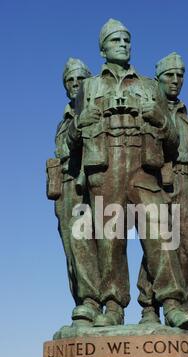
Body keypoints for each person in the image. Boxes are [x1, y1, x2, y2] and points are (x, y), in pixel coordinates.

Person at [68, 19, 188, 328]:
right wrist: (78, 123)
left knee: (161, 233)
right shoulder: (90, 86)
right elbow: (72, 140)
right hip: (105, 170)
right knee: (111, 242)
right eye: (115, 41)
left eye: (126, 40)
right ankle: (112, 306)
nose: (123, 44)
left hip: (143, 168)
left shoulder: (150, 86)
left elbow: (173, 140)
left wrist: (160, 121)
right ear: (102, 49)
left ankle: (172, 303)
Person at [138, 52, 188, 329]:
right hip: (158, 182)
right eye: (170, 74)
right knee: (158, 246)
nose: (176, 80)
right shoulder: (151, 111)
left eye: (180, 75)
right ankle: (150, 307)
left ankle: (184, 309)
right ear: (158, 78)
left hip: (187, 188)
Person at [48, 58, 101, 326]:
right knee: (73, 253)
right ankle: (83, 304)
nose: (75, 84)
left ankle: (97, 302)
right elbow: (62, 151)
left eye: (80, 79)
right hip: (67, 188)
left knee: (96, 247)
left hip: (95, 185)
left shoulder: (96, 110)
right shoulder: (65, 119)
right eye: (70, 80)